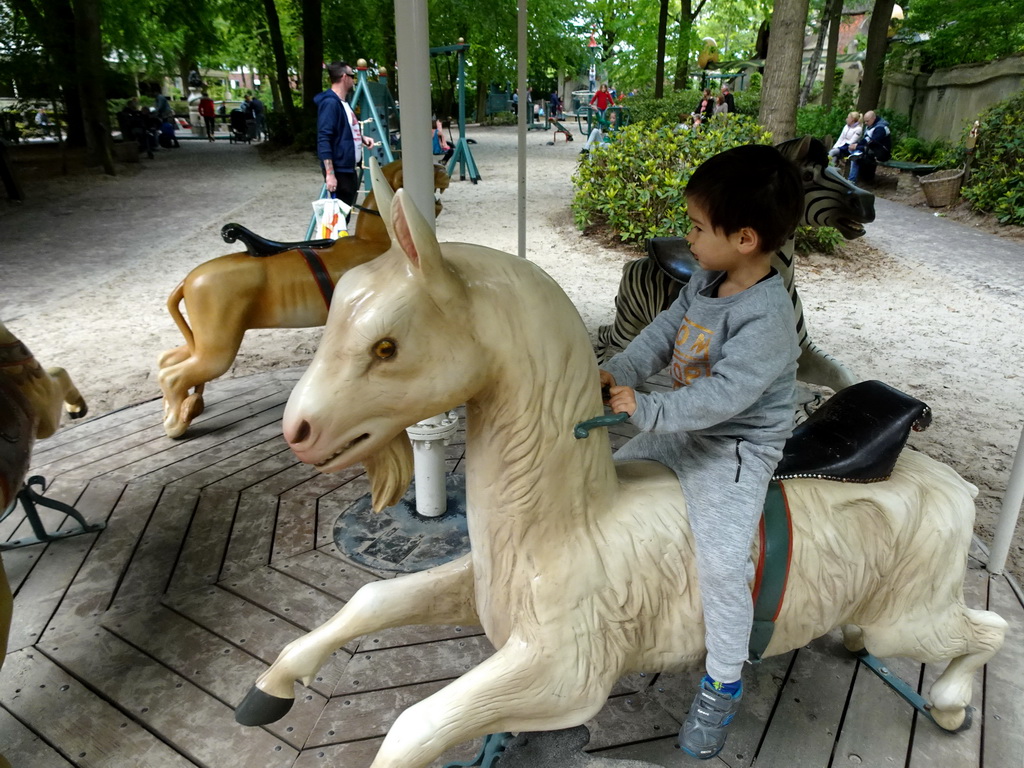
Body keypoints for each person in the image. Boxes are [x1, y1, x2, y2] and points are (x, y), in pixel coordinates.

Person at [599, 144, 803, 761]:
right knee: (604, 483)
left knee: (721, 567)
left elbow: (724, 399)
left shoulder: (766, 316)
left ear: (744, 237)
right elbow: (662, 336)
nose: (685, 236)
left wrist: (647, 408)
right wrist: (614, 371)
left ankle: (723, 681)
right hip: (684, 425)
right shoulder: (708, 280)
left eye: (695, 226)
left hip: (735, 447)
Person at [315, 61, 375, 209]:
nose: (354, 79)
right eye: (352, 75)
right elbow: (324, 138)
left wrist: (361, 138)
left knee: (344, 215)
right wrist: (330, 174)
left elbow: (342, 131)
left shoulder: (343, 103)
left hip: (348, 167)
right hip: (340, 169)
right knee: (339, 219)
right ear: (344, 77)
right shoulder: (330, 103)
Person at [848, 109, 891, 184]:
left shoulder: (880, 128)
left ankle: (852, 180)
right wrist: (857, 145)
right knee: (855, 153)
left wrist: (857, 147)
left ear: (873, 118)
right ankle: (853, 179)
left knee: (857, 153)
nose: (865, 123)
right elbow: (866, 139)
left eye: (867, 121)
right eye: (865, 121)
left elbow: (872, 143)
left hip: (881, 153)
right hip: (872, 150)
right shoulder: (870, 126)